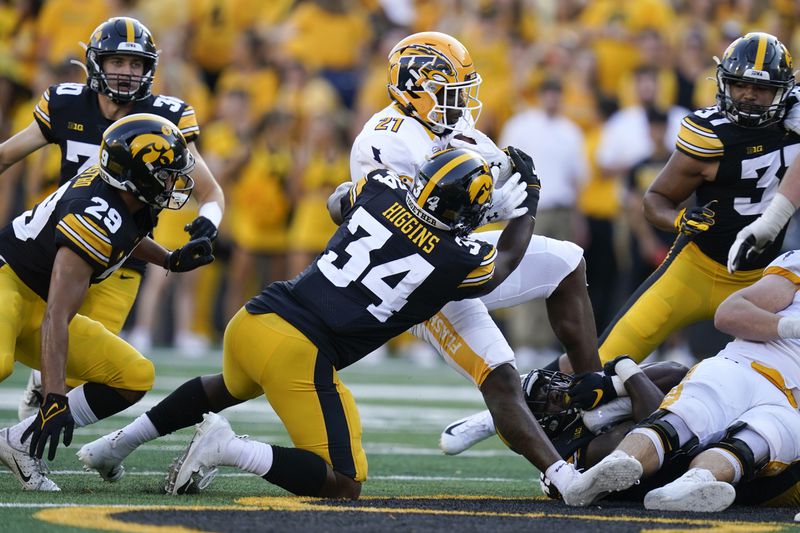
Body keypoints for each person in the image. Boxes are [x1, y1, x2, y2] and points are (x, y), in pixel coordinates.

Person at [79, 147, 596, 503]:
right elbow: (501, 264)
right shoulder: (453, 257)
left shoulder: (381, 188)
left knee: (222, 387)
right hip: (299, 351)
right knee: (344, 484)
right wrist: (526, 203)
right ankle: (228, 448)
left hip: (257, 317)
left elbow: (337, 205)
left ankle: (114, 446)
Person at [0, 17, 224, 419]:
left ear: (149, 69)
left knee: (89, 368)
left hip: (122, 253)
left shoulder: (162, 117)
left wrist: (208, 222)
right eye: (118, 61)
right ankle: (42, 395)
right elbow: (5, 156)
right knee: (53, 334)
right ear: (97, 62)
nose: (126, 72)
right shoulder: (67, 103)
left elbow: (209, 190)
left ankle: (30, 425)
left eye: (136, 64)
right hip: (60, 241)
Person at [350, 31, 601, 381]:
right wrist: (486, 209)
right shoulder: (387, 140)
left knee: (567, 261)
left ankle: (593, 388)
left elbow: (487, 172)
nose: (462, 102)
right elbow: (410, 228)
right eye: (451, 93)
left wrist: (500, 171)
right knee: (499, 369)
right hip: (413, 272)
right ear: (417, 89)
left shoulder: (438, 121)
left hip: (448, 252)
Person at [553, 31, 800, 371]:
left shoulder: (794, 119)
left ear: (783, 91)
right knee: (600, 362)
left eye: (761, 88)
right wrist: (678, 221)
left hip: (765, 278)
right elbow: (654, 199)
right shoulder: (710, 134)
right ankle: (521, 398)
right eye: (740, 85)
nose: (748, 95)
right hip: (695, 269)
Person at [0, 114, 213, 491]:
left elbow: (125, 233)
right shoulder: (93, 214)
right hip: (8, 282)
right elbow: (57, 317)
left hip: (37, 301)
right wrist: (53, 397)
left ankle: (19, 441)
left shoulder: (131, 195)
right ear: (137, 175)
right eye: (165, 173)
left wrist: (168, 259)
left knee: (134, 375)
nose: (173, 182)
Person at [563, 248, 800, 511]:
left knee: (754, 444)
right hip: (746, 365)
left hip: (791, 407)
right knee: (685, 417)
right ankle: (617, 462)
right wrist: (793, 327)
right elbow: (730, 313)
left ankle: (691, 484)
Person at [442, 356, 800, 509]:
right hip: (753, 480)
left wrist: (611, 385)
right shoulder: (584, 452)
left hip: (728, 452)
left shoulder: (584, 421)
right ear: (544, 428)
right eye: (549, 399)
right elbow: (659, 416)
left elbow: (678, 371)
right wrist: (625, 371)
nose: (561, 389)